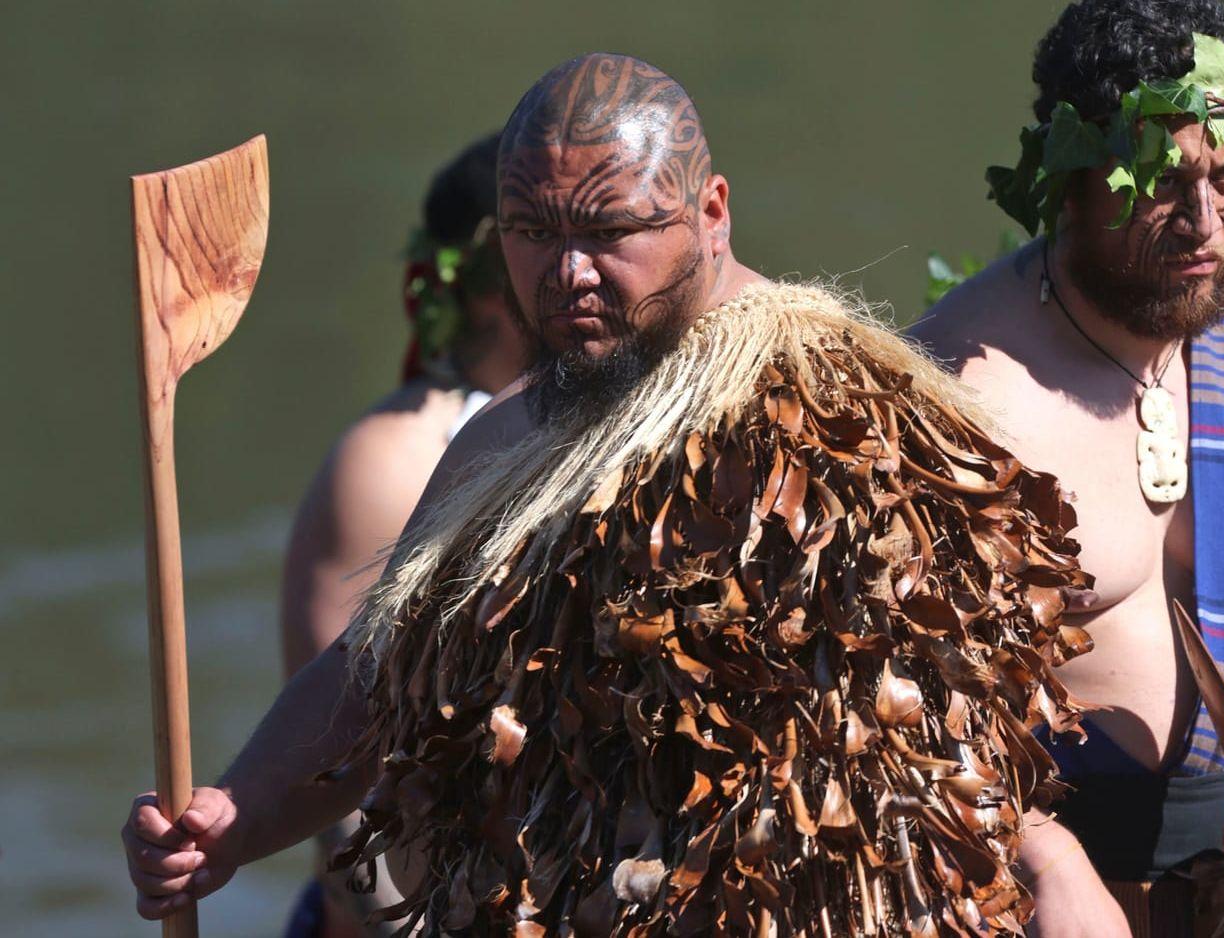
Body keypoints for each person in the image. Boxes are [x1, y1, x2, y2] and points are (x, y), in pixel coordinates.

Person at [123, 54, 1094, 935]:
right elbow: (379, 675)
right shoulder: (505, 441)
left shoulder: (844, 419)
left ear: (711, 212)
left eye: (609, 229)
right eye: (532, 233)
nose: (568, 272)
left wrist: (1050, 866)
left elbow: (965, 754)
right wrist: (233, 813)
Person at [909, 1, 1224, 935]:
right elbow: (872, 698)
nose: (1205, 220)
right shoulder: (955, 394)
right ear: (1072, 177)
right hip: (1006, 905)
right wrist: (1044, 857)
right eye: (1164, 181)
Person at [277, 134, 532, 938]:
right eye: (549, 240)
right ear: (492, 287)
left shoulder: (595, 427)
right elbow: (341, 782)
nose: (582, 268)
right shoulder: (392, 461)